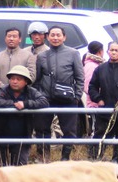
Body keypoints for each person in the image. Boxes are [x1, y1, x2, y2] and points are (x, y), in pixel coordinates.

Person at [34, 25, 82, 161]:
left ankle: (65, 159)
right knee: (42, 129)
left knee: (69, 131)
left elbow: (79, 76)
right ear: (48, 37)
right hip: (45, 99)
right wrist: (38, 95)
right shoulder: (42, 56)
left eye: (58, 35)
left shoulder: (73, 53)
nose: (55, 38)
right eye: (52, 35)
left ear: (64, 37)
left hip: (67, 98)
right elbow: (38, 79)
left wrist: (77, 96)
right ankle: (44, 159)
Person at [87, 42, 118, 165]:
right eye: (111, 50)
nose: (113, 52)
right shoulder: (100, 69)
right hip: (104, 111)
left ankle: (116, 161)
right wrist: (98, 99)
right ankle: (95, 161)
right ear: (107, 51)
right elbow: (92, 87)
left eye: (116, 50)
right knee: (99, 136)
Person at [0, 64, 42, 166]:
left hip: (22, 137)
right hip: (1, 136)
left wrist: (25, 104)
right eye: (12, 78)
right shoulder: (4, 90)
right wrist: (14, 104)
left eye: (18, 79)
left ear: (26, 81)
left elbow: (43, 101)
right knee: (2, 167)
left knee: (20, 166)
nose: (14, 81)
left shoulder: (31, 92)